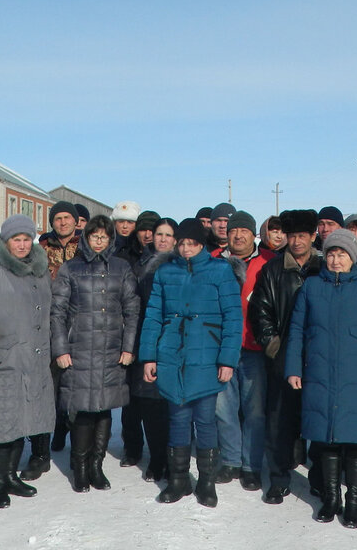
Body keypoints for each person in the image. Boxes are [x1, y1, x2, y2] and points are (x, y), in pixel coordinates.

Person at [284, 229, 357, 528]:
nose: (335, 260)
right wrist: (294, 368)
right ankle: (331, 498)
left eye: (342, 254)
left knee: (355, 440)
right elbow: (297, 330)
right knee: (326, 439)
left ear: (352, 257)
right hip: (319, 372)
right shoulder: (311, 286)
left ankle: (353, 500)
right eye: (331, 253)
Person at [139, 219, 242, 507]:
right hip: (172, 354)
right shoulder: (165, 271)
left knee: (206, 419)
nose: (186, 249)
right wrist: (149, 356)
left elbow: (233, 318)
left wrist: (227, 360)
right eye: (182, 243)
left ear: (202, 244)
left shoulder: (221, 271)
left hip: (207, 354)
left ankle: (207, 482)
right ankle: (179, 479)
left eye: (192, 244)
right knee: (178, 418)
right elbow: (153, 316)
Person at [0, 215, 55, 508]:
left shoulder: (38, 271)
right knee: (1, 422)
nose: (22, 245)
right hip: (2, 357)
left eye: (26, 239)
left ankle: (10, 475)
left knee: (21, 420)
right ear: (5, 241)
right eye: (16, 239)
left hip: (32, 358)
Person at [51, 215, 140, 493]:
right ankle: (79, 467)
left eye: (104, 237)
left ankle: (96, 466)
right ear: (86, 238)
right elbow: (58, 312)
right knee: (83, 409)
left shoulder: (121, 267)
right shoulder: (71, 268)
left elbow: (132, 310)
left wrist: (128, 347)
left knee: (104, 409)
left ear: (110, 239)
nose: (99, 242)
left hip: (111, 349)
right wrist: (61, 349)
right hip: (79, 348)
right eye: (94, 236)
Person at [249, 209, 322, 504]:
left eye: (302, 236)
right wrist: (274, 347)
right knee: (279, 420)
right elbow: (260, 311)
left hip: (318, 358)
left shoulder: (323, 267)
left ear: (313, 236)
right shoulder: (273, 269)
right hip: (283, 357)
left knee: (317, 419)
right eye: (292, 236)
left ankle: (320, 479)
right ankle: (279, 479)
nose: (296, 242)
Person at [211, 210, 275, 492]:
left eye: (244, 231)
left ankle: (251, 466)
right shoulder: (213, 260)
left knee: (255, 410)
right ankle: (230, 461)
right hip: (222, 347)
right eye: (233, 231)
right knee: (223, 408)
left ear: (253, 234)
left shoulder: (268, 262)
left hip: (254, 347)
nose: (238, 236)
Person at [123, 217, 177, 482]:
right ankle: (149, 455)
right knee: (145, 402)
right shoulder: (140, 265)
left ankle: (166, 459)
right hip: (144, 339)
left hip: (172, 342)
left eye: (168, 235)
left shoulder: (180, 265)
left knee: (166, 407)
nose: (163, 239)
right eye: (159, 234)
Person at [36, 201, 81, 458]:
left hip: (79, 322)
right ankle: (49, 434)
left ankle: (77, 440)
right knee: (49, 382)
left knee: (75, 383)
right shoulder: (42, 247)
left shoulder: (85, 246)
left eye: (67, 218)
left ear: (75, 221)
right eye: (58, 218)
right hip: (47, 321)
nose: (63, 222)